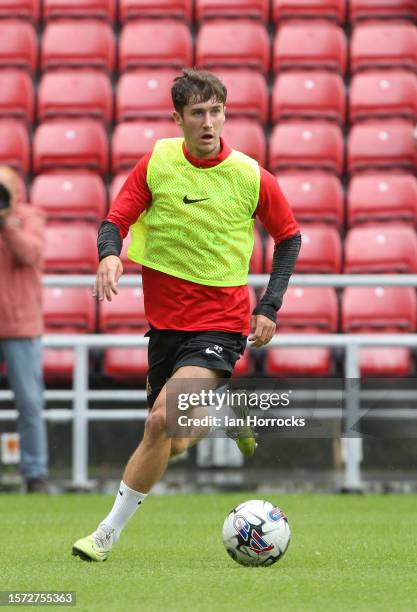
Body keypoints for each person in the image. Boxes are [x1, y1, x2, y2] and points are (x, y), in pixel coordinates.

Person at [72, 69, 301, 561]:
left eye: (215, 111)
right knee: (171, 442)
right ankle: (222, 411)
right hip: (165, 326)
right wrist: (109, 254)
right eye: (197, 113)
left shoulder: (249, 175)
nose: (208, 121)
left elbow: (290, 237)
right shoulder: (157, 163)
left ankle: (105, 535)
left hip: (221, 323)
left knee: (157, 423)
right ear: (177, 118)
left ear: (225, 114)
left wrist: (269, 305)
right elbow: (115, 220)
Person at [0, 165, 48, 493]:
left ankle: (35, 474)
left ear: (17, 193)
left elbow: (29, 253)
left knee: (29, 403)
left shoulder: (30, 217)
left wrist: (5, 223)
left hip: (21, 325)